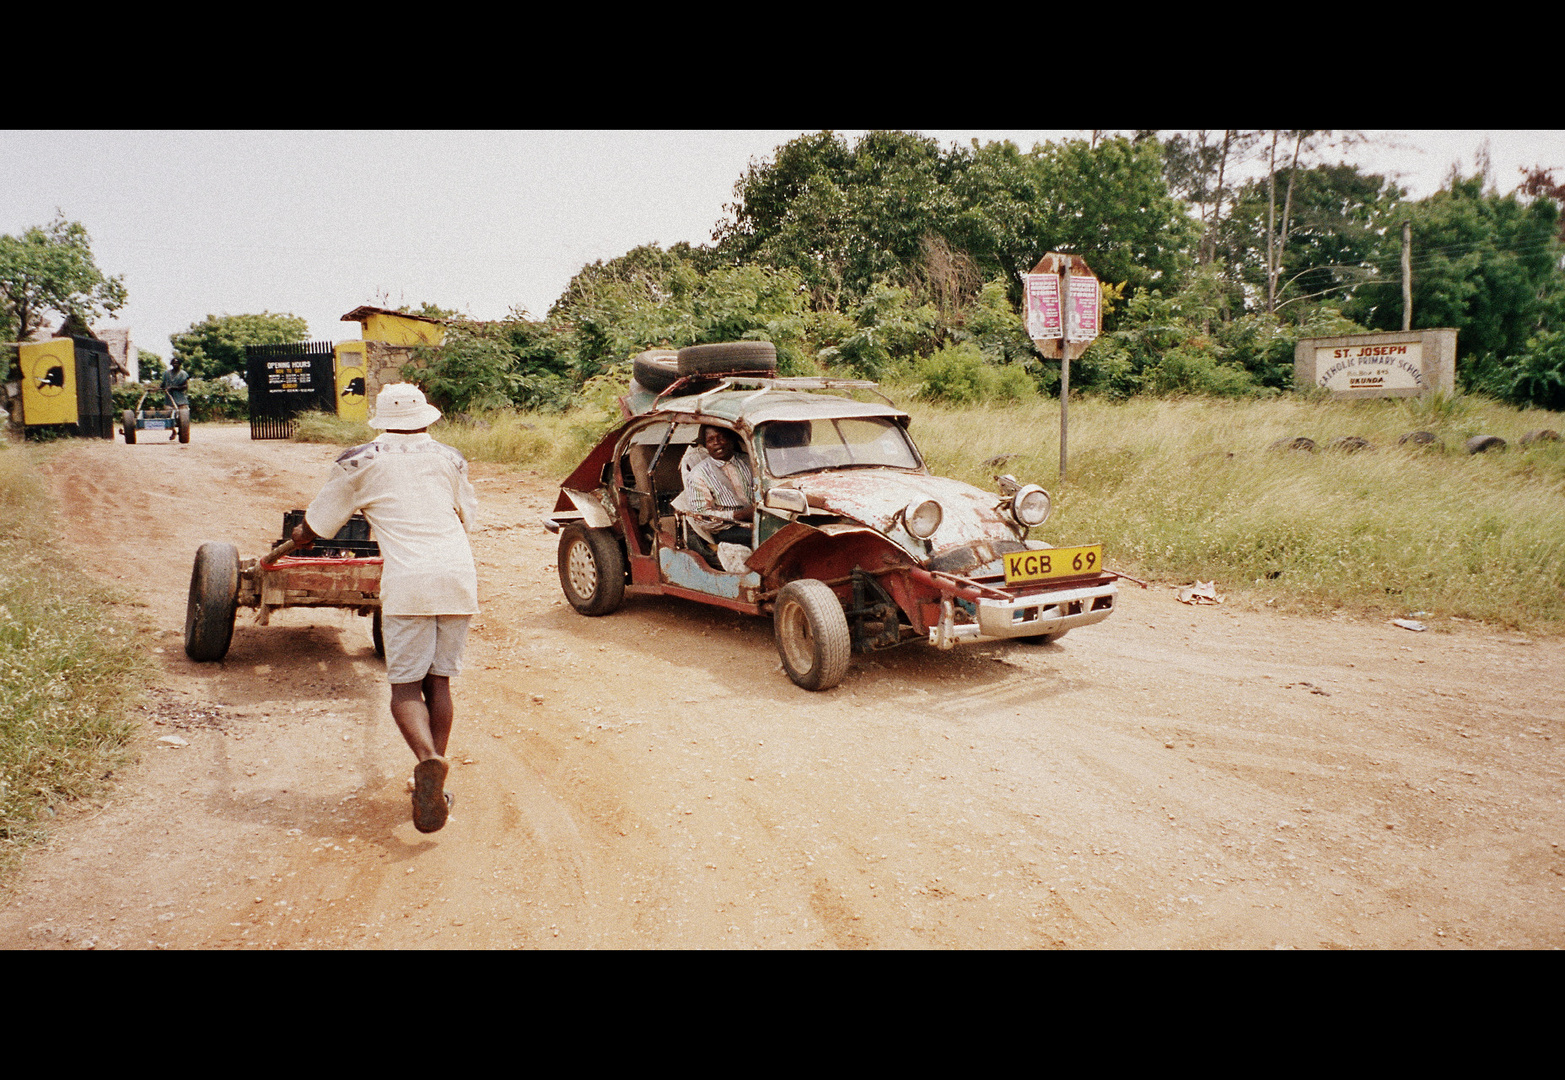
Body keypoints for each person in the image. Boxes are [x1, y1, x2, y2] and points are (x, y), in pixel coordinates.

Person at [290, 383, 478, 834]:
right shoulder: (451, 458)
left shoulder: (359, 461)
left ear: (380, 419)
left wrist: (300, 537)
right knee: (440, 681)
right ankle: (436, 776)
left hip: (409, 582)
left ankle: (428, 760)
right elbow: (468, 516)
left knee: (405, 688)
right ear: (426, 419)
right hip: (457, 577)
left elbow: (317, 525)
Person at [683, 425, 753, 548]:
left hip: (760, 520)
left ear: (731, 439)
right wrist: (739, 515)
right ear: (706, 445)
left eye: (722, 437)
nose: (717, 443)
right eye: (711, 440)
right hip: (728, 528)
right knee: (769, 537)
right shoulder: (698, 474)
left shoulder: (750, 462)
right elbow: (701, 517)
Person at [162, 358, 191, 440]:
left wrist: (174, 387)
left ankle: (182, 432)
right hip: (169, 399)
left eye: (177, 363)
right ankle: (173, 431)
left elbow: (185, 386)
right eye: (174, 363)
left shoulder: (183, 374)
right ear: (171, 364)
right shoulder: (166, 373)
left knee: (184, 416)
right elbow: (163, 385)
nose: (175, 364)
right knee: (168, 415)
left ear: (180, 364)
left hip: (181, 398)